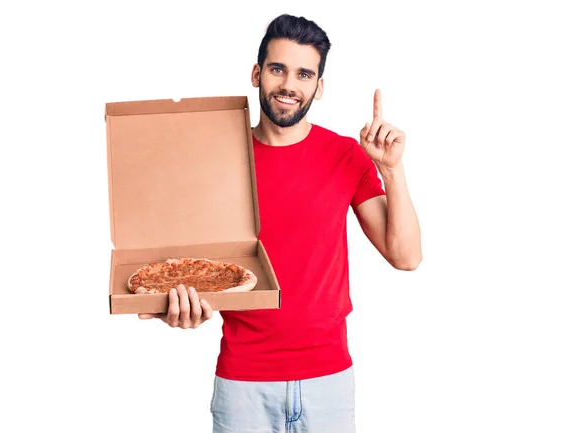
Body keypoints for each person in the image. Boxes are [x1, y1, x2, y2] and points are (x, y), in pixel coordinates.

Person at [139, 13, 422, 433]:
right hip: (243, 383)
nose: (290, 84)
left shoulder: (347, 156)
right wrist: (177, 307)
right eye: (277, 69)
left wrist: (391, 171)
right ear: (256, 74)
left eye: (304, 74)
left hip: (329, 380)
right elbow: (188, 265)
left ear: (318, 87)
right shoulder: (214, 160)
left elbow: (407, 257)